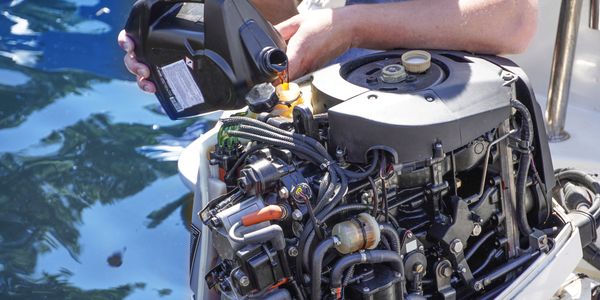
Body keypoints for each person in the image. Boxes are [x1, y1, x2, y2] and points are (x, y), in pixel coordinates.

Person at [118, 0, 538, 94]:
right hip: (319, 110)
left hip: (438, 113)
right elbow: (279, 10)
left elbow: (514, 19)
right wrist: (193, 23)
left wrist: (352, 29)